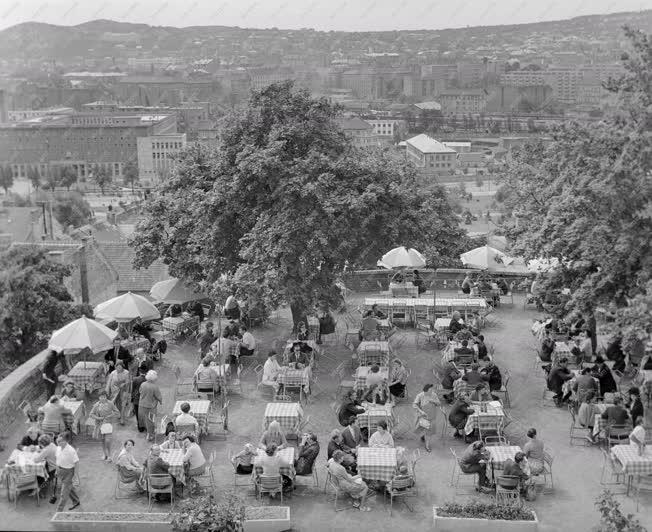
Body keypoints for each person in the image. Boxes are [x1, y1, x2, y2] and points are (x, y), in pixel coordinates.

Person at [88, 391, 120, 460]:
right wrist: (99, 418)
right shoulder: (96, 405)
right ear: (99, 397)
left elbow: (117, 412)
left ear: (106, 397)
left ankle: (109, 455)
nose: (103, 398)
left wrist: (110, 416)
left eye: (104, 397)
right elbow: (91, 414)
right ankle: (105, 454)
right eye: (101, 397)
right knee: (102, 440)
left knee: (108, 440)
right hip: (100, 425)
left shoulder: (110, 403)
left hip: (108, 425)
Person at [55, 432, 80, 511]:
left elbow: (76, 463)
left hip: (69, 472)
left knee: (64, 493)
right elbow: (58, 459)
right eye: (57, 440)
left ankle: (59, 511)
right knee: (69, 487)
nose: (58, 442)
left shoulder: (71, 451)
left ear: (66, 441)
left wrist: (75, 476)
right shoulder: (58, 448)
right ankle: (76, 501)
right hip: (60, 470)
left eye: (60, 441)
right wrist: (57, 470)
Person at [413, 384, 441, 452]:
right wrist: (421, 411)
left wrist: (433, 401)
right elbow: (414, 405)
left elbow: (439, 403)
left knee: (428, 431)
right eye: (431, 389)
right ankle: (427, 444)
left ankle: (426, 444)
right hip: (423, 415)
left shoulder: (434, 395)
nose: (432, 391)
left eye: (432, 389)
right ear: (426, 390)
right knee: (424, 429)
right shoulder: (420, 395)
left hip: (432, 415)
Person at [139, 370, 163, 442]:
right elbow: (159, 396)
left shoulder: (143, 384)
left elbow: (140, 391)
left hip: (142, 405)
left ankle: (148, 433)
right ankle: (150, 435)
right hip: (151, 406)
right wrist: (160, 401)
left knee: (146, 420)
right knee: (151, 420)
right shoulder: (154, 387)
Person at [105, 360, 131, 425]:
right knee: (117, 403)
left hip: (123, 390)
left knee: (123, 404)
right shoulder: (113, 373)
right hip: (115, 390)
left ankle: (122, 418)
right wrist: (107, 389)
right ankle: (119, 413)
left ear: (122, 367)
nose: (118, 368)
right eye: (117, 367)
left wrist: (124, 384)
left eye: (120, 367)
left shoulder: (126, 372)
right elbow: (109, 382)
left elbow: (128, 381)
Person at [34, 434, 58, 501]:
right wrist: (42, 452)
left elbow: (36, 460)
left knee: (41, 474)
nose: (39, 445)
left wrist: (39, 454)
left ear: (43, 443)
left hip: (53, 469)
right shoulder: (52, 444)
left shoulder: (46, 450)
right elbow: (47, 452)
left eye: (40, 443)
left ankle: (42, 491)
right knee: (42, 470)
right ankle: (41, 488)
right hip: (58, 465)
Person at [131, 363, 148, 433]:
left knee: (138, 414)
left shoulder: (135, 379)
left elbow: (132, 390)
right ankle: (146, 426)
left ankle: (140, 428)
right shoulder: (148, 380)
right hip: (146, 400)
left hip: (137, 400)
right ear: (146, 371)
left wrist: (132, 398)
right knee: (145, 414)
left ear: (140, 371)